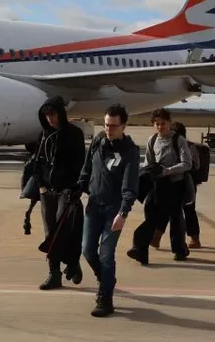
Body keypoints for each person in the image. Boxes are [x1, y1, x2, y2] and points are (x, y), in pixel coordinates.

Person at [75, 103, 140, 318]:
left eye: (113, 126)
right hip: (94, 204)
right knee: (87, 250)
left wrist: (123, 212)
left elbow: (129, 185)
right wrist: (80, 184)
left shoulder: (130, 150)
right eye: (105, 125)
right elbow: (87, 168)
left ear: (124, 126)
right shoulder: (98, 141)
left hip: (114, 209)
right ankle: (106, 280)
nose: (108, 129)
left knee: (106, 254)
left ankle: (105, 297)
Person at [29, 96, 86, 290]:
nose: (50, 119)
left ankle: (72, 263)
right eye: (46, 116)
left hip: (66, 191)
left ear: (61, 114)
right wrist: (40, 186)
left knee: (65, 232)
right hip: (47, 191)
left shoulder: (74, 134)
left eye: (53, 115)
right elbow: (36, 162)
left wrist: (74, 187)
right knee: (49, 233)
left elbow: (80, 163)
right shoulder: (43, 136)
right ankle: (54, 273)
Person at [128, 109, 193, 265]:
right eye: (157, 124)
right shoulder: (152, 140)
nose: (160, 127)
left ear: (169, 123)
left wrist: (167, 171)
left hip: (175, 185)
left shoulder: (179, 140)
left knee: (176, 218)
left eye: (163, 123)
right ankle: (141, 250)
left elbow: (187, 164)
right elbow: (148, 163)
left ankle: (178, 250)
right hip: (157, 185)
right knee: (151, 214)